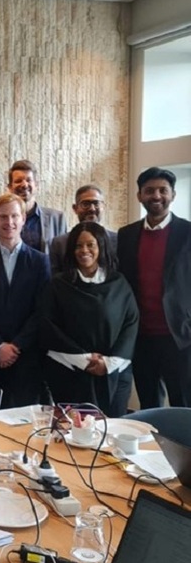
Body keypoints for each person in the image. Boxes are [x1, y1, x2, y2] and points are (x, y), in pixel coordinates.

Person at [41, 222, 138, 416]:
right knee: (73, 438)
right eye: (78, 245)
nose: (84, 250)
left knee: (112, 433)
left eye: (90, 244)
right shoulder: (58, 285)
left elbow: (131, 323)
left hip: (114, 372)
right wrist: (84, 360)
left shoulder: (118, 283)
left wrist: (108, 363)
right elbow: (48, 326)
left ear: (101, 246)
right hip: (69, 371)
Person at [118, 167, 191, 408]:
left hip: (179, 337)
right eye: (149, 191)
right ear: (140, 196)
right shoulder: (126, 235)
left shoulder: (187, 232)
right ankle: (154, 448)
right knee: (149, 407)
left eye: (163, 190)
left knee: (183, 406)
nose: (156, 196)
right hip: (141, 337)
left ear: (173, 195)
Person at [0, 193, 51, 407]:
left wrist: (15, 346)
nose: (9, 222)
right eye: (3, 217)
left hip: (27, 356)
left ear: (23, 219)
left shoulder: (40, 261)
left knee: (24, 422)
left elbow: (41, 310)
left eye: (14, 216)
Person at [49, 184, 118, 274]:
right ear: (75, 208)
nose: (92, 209)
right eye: (85, 204)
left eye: (96, 203)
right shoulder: (60, 243)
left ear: (103, 207)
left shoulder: (117, 240)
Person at [7, 159, 66, 254]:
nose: (24, 184)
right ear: (10, 187)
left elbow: (64, 256)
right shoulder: (2, 219)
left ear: (36, 185)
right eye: (18, 181)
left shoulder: (57, 218)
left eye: (29, 180)